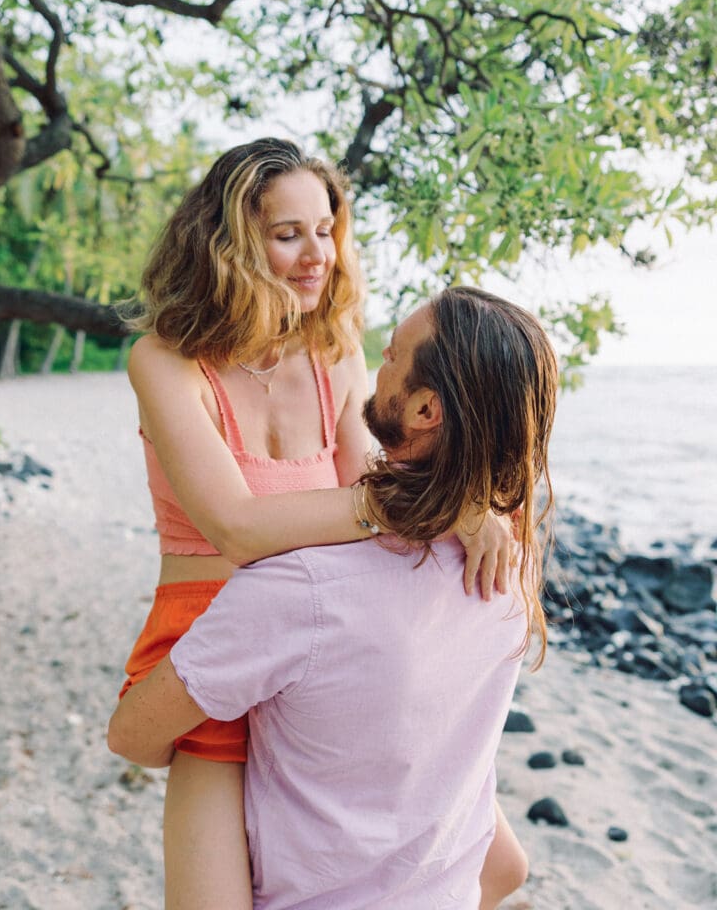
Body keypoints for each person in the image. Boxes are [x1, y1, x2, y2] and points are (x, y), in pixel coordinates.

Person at [118, 138, 519, 909]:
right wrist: (436, 501)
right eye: (287, 233)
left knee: (499, 868)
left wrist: (470, 508)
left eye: (326, 229)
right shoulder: (163, 363)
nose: (317, 255)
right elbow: (236, 528)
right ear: (232, 245)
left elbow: (366, 483)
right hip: (211, 640)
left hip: (326, 631)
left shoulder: (332, 350)